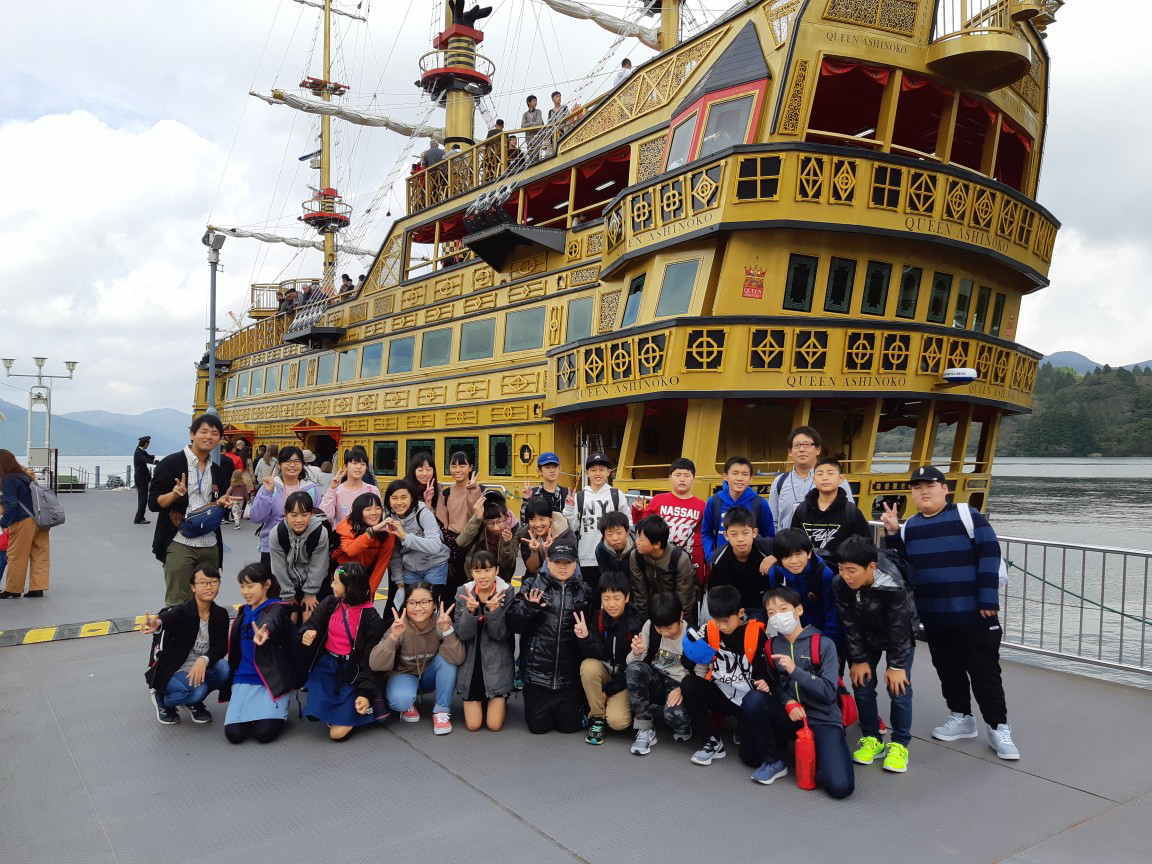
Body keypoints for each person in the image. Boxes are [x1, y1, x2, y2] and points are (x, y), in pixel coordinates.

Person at [882, 465, 1019, 760]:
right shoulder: (911, 527)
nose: (923, 491)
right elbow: (902, 565)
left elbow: (990, 553)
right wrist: (893, 533)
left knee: (984, 672)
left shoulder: (968, 516)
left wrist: (987, 599)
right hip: (934, 615)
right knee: (948, 669)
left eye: (930, 485)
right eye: (917, 487)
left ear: (944, 488)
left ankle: (998, 727)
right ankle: (961, 717)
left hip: (974, 613)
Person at [678, 585, 793, 785]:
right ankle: (712, 741)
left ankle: (764, 748)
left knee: (751, 759)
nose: (721, 626)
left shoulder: (756, 634)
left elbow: (768, 675)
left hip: (749, 701)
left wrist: (766, 682)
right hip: (723, 693)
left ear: (740, 613)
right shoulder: (709, 630)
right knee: (689, 685)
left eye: (725, 621)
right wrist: (692, 648)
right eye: (716, 620)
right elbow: (687, 664)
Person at [833, 536, 918, 774]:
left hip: (898, 634)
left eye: (851, 570)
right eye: (841, 569)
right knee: (861, 683)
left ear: (871, 567)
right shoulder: (840, 584)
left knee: (898, 688)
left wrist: (896, 665)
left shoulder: (893, 585)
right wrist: (858, 659)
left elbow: (900, 627)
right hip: (865, 633)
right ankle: (872, 738)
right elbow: (848, 623)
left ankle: (900, 743)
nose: (846, 576)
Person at [764, 587, 855, 799]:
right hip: (791, 715)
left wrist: (795, 670)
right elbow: (775, 684)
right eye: (771, 613)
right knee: (758, 702)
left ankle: (827, 752)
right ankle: (776, 757)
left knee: (840, 787)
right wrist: (788, 702)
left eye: (783, 609)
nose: (777, 616)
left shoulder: (823, 644)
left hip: (823, 716)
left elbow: (829, 692)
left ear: (799, 610)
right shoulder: (771, 646)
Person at [148, 415, 236, 607]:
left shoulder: (218, 470)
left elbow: (215, 503)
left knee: (206, 601)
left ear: (220, 439)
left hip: (210, 543)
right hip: (179, 541)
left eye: (214, 433)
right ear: (192, 434)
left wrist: (221, 503)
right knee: (177, 602)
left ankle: (202, 629)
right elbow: (154, 503)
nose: (209, 437)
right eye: (203, 431)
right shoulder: (171, 464)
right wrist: (174, 494)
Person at [508, 533, 588, 734]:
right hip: (537, 676)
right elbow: (513, 624)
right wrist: (529, 608)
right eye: (557, 562)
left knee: (569, 727)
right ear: (548, 561)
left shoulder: (584, 591)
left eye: (568, 562)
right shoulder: (532, 585)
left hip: (569, 678)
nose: (563, 567)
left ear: (575, 564)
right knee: (538, 728)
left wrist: (585, 636)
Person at [298, 563, 386, 740]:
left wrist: (364, 693)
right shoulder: (331, 603)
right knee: (315, 712)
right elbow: (312, 623)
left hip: (353, 671)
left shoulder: (370, 618)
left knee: (336, 734)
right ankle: (338, 710)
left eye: (335, 582)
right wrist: (307, 632)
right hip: (327, 666)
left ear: (349, 587)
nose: (331, 585)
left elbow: (370, 661)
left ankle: (366, 704)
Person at [370, 583, 464, 735]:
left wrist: (448, 631)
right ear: (405, 605)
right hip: (404, 674)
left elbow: (458, 658)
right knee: (400, 702)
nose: (418, 608)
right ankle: (408, 701)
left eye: (425, 602)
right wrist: (393, 637)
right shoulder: (399, 625)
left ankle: (441, 711)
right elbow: (375, 664)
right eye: (412, 602)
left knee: (449, 661)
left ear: (434, 605)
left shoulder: (441, 622)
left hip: (428, 675)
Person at [142, 565, 230, 725]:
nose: (209, 587)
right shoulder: (183, 611)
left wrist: (204, 659)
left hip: (200, 666)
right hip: (175, 669)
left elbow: (221, 647)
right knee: (198, 691)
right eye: (203, 583)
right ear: (193, 587)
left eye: (213, 582)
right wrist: (158, 623)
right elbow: (168, 618)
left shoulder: (220, 614)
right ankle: (162, 699)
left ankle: (192, 700)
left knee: (224, 669)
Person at [224, 563, 298, 745]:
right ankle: (260, 713)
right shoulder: (243, 612)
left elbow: (271, 620)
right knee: (234, 735)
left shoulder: (277, 608)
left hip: (269, 680)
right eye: (242, 586)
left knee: (264, 734)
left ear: (266, 585)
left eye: (250, 586)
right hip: (243, 678)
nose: (245, 592)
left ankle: (279, 709)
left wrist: (266, 632)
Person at [576, 572, 644, 744]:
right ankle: (597, 718)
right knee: (588, 666)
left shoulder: (636, 623)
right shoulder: (598, 617)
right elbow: (596, 653)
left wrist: (608, 691)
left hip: (624, 680)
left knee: (618, 722)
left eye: (616, 598)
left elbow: (634, 670)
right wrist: (586, 638)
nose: (611, 604)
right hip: (606, 672)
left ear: (627, 598)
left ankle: (616, 707)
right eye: (606, 598)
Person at [624, 591, 693, 756]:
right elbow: (631, 663)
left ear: (680, 616)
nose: (664, 632)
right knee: (634, 669)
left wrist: (683, 689)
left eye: (669, 627)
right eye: (659, 628)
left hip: (680, 684)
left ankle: (683, 724)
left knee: (674, 716)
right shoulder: (649, 626)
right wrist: (636, 653)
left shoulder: (691, 635)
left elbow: (701, 672)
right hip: (656, 678)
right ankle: (645, 727)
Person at [453, 550, 515, 732]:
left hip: (497, 662)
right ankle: (483, 699)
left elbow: (500, 635)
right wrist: (470, 612)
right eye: (477, 571)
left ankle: (500, 697)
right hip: (471, 664)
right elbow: (463, 634)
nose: (483, 576)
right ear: (472, 572)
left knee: (494, 725)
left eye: (487, 570)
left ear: (496, 571)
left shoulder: (506, 592)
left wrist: (494, 612)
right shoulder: (463, 592)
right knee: (473, 725)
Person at [563, 452, 631, 610]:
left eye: (601, 469)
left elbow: (628, 524)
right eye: (593, 470)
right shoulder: (580, 496)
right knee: (591, 601)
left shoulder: (617, 495)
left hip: (613, 557)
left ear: (609, 472)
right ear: (587, 473)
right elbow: (573, 527)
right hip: (586, 557)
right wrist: (569, 508)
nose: (597, 473)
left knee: (613, 600)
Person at [767, 528, 840, 658]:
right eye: (787, 556)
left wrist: (830, 645)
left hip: (820, 633)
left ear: (809, 553)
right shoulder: (775, 574)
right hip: (789, 634)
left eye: (798, 554)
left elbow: (831, 611)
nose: (794, 561)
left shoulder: (824, 574)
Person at [631, 457, 706, 583]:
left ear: (693, 478)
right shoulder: (658, 500)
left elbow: (703, 536)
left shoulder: (702, 506)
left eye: (687, 475)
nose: (682, 479)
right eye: (678, 475)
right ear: (670, 477)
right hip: (660, 562)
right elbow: (643, 528)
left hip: (689, 563)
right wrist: (637, 511)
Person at [249, 445, 322, 569]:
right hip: (272, 548)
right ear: (279, 465)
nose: (292, 465)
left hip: (303, 549)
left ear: (302, 464)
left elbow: (318, 519)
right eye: (287, 461)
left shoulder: (311, 489)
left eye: (297, 461)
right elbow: (256, 517)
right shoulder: (270, 486)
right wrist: (267, 493)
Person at [768, 426, 854, 531]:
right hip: (788, 541)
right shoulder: (779, 482)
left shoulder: (836, 479)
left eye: (807, 445)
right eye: (797, 445)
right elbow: (772, 521)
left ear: (818, 450)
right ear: (790, 452)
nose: (801, 449)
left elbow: (850, 517)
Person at [382, 478, 451, 605]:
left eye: (404, 497)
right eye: (394, 498)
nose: (399, 502)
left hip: (434, 565)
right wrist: (399, 580)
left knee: (430, 605)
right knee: (412, 607)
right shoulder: (390, 519)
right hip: (411, 568)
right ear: (388, 501)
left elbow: (435, 546)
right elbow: (395, 553)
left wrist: (405, 536)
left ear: (412, 498)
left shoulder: (423, 513)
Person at [791, 458, 870, 566]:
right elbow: (794, 543)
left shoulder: (851, 511)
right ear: (814, 479)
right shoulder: (802, 509)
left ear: (841, 478)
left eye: (830, 473)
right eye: (820, 474)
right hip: (808, 570)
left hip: (840, 571)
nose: (825, 477)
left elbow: (865, 547)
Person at [699, 456, 775, 565]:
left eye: (745, 474)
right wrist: (711, 556)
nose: (740, 478)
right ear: (725, 476)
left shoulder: (760, 503)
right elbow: (706, 532)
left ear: (751, 478)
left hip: (753, 563)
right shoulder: (714, 501)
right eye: (735, 473)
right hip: (722, 562)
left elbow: (769, 536)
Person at [270, 491, 331, 622]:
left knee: (310, 616)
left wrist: (310, 593)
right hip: (286, 583)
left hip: (313, 582)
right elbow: (278, 568)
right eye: (294, 515)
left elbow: (319, 566)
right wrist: (288, 596)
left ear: (311, 514)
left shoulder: (320, 532)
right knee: (287, 617)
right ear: (286, 514)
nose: (299, 520)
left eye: (304, 515)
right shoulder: (277, 533)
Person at [629, 514, 696, 626]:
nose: (637, 542)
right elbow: (640, 594)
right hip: (651, 611)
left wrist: (678, 625)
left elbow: (684, 600)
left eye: (641, 539)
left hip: (675, 615)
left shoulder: (679, 559)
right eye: (636, 537)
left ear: (657, 544)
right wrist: (645, 624)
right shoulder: (636, 556)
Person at [0, 450, 50, 598]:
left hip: (23, 520)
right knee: (39, 554)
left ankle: (13, 589)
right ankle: (37, 588)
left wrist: (4, 522)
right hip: (41, 519)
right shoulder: (25, 476)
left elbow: (12, 503)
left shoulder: (8, 479)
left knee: (16, 555)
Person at [707, 506, 770, 621]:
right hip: (734, 609)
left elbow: (790, 546)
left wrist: (774, 557)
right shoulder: (719, 559)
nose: (740, 539)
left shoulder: (767, 548)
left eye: (745, 533)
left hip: (762, 605)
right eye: (734, 534)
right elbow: (716, 594)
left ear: (754, 532)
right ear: (726, 536)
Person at [332, 492, 396, 597]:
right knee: (343, 599)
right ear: (358, 512)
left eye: (378, 508)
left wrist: (370, 591)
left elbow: (381, 564)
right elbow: (351, 551)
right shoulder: (346, 525)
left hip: (366, 571)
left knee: (367, 601)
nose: (374, 513)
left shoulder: (387, 532)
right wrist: (371, 532)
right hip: (341, 570)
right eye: (368, 509)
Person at [456, 493, 517, 584]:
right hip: (476, 577)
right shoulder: (479, 523)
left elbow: (508, 565)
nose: (496, 528)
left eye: (499, 522)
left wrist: (507, 543)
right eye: (491, 523)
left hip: (502, 579)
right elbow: (461, 542)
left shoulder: (513, 528)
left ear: (506, 516)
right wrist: (476, 518)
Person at [320, 449, 380, 525]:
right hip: (341, 532)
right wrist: (332, 489)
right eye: (354, 463)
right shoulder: (337, 491)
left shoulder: (372, 490)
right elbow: (326, 516)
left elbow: (379, 516)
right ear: (346, 467)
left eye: (363, 464)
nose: (359, 467)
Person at [516, 495, 569, 577]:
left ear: (550, 519)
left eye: (541, 519)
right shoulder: (527, 535)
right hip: (536, 580)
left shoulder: (564, 533)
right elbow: (532, 570)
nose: (537, 524)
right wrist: (534, 551)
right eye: (532, 519)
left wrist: (549, 551)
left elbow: (565, 568)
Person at [518, 451, 568, 523]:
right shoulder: (533, 493)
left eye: (555, 467)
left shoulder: (566, 493)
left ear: (559, 469)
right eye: (548, 467)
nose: (552, 470)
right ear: (539, 471)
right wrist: (526, 500)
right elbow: (524, 521)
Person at [593, 510, 633, 582]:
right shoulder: (600, 550)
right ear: (603, 536)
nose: (615, 538)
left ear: (627, 532)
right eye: (609, 534)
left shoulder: (637, 547)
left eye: (619, 533)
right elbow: (606, 576)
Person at [133, 436, 157, 524]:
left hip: (143, 478)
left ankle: (140, 517)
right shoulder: (138, 453)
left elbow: (148, 456)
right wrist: (154, 462)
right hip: (141, 479)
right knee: (143, 499)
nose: (148, 445)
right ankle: (138, 519)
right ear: (145, 444)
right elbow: (146, 459)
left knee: (143, 499)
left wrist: (153, 457)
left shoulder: (141, 451)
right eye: (148, 444)